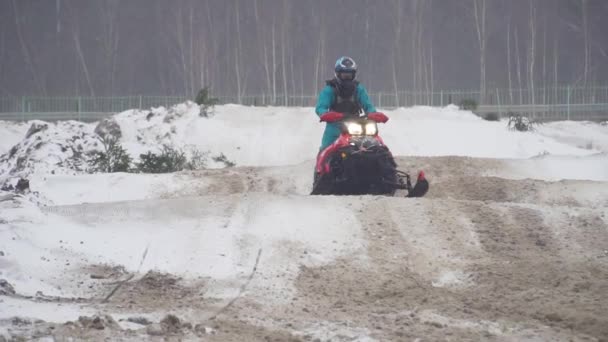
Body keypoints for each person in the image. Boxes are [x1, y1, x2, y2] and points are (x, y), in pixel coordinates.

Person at [314, 56, 378, 152]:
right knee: (325, 149)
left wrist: (373, 113)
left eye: (350, 75)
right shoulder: (330, 90)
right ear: (337, 74)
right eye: (344, 75)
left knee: (375, 144)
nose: (347, 78)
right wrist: (325, 114)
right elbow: (320, 107)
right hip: (335, 125)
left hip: (357, 124)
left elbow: (368, 105)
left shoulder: (359, 89)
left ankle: (382, 160)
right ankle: (321, 165)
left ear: (354, 75)